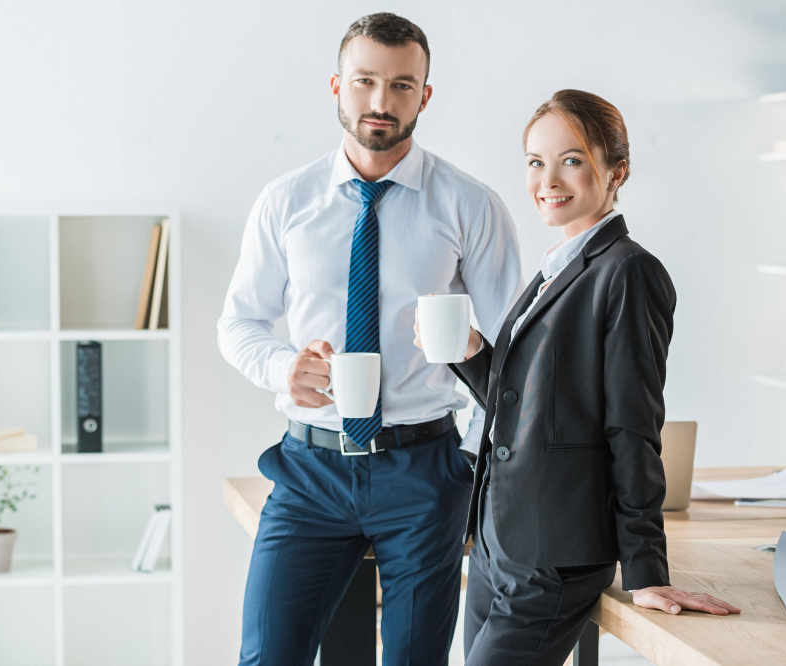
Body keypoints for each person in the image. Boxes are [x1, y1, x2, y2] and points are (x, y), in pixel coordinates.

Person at [217, 12, 522, 665]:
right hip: (310, 470)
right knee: (268, 656)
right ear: (336, 86)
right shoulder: (286, 200)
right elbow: (238, 323)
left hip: (425, 471)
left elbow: (514, 361)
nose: (381, 103)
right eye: (364, 82)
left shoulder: (470, 205)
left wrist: (468, 460)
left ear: (425, 95)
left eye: (402, 86)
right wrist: (281, 368)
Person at [414, 89, 741, 665]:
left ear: (616, 170)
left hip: (553, 549)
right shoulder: (554, 269)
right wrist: (469, 352)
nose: (548, 179)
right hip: (498, 538)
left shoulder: (628, 272)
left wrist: (645, 568)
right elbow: (530, 408)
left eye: (571, 160)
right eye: (536, 162)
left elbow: (632, 425)